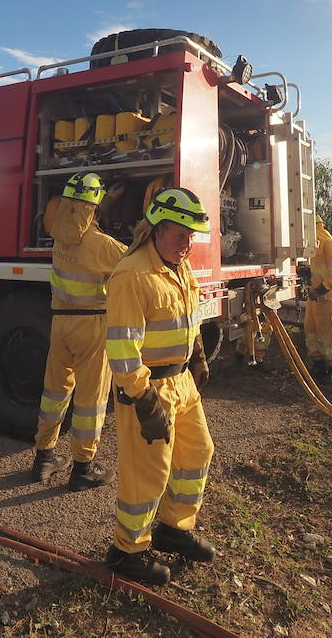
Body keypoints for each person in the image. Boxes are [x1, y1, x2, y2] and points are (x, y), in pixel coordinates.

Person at [103, 187, 216, 587]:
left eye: (191, 236)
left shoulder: (178, 266)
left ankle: (174, 528)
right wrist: (143, 399)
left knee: (198, 451)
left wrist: (197, 352)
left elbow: (190, 316)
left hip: (181, 382)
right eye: (179, 235)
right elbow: (121, 349)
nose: (187, 244)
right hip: (148, 389)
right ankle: (126, 552)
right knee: (147, 476)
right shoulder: (133, 274)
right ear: (156, 228)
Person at [31, 172, 127, 490]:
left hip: (60, 323)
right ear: (94, 206)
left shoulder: (59, 236)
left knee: (55, 392)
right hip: (92, 325)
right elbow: (137, 267)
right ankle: (84, 467)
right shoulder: (103, 245)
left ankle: (44, 457)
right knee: (90, 400)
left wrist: (104, 200)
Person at [305, 216, 332, 384]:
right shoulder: (312, 243)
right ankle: (318, 365)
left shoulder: (328, 243)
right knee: (311, 329)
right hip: (314, 295)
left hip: (326, 295)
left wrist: (320, 290)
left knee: (326, 332)